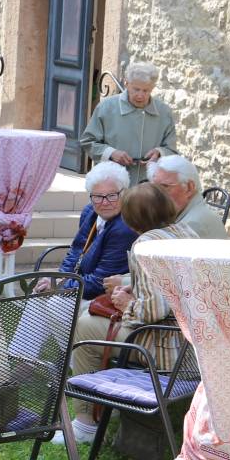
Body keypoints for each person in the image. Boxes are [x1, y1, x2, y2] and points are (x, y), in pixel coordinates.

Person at [58, 182, 199, 443]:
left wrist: (126, 305)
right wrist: (133, 288)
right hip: (193, 345)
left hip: (164, 348)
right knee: (89, 319)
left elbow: (153, 311)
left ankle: (86, 423)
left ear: (132, 217)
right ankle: (104, 406)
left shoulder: (145, 244)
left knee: (84, 327)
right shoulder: (184, 232)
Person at [46, 161, 138, 302]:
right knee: (40, 294)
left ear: (124, 193)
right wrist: (60, 278)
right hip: (81, 284)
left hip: (102, 296)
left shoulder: (124, 228)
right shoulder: (90, 211)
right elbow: (75, 252)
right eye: (98, 196)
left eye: (112, 195)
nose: (105, 202)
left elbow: (100, 282)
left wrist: (59, 285)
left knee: (50, 302)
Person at [78, 62, 177, 184]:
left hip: (149, 186)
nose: (140, 95)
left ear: (153, 88)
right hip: (111, 184)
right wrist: (111, 153)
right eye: (136, 89)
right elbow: (87, 141)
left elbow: (172, 149)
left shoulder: (164, 112)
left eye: (146, 90)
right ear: (126, 84)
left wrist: (159, 152)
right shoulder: (106, 107)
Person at [147, 154, 229, 240]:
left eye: (164, 187)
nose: (155, 194)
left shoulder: (195, 224)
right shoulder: (184, 214)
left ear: (189, 188)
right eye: (154, 187)